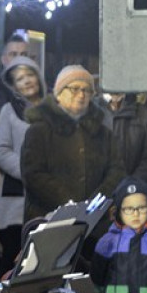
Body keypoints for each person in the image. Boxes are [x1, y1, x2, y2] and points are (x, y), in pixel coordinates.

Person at [21, 65, 124, 225]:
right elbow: (33, 174)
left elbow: (116, 170)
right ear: (59, 93)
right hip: (49, 219)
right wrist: (70, 203)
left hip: (94, 222)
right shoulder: (40, 130)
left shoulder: (103, 133)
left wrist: (94, 204)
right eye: (74, 88)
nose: (81, 94)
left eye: (87, 90)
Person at [0, 55, 44, 283]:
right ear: (14, 86)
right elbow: (1, 150)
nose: (27, 81)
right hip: (15, 201)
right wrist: (29, 173)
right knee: (8, 260)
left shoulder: (54, 109)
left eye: (30, 75)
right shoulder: (9, 111)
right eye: (20, 79)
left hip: (46, 199)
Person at [99, 92, 147, 184]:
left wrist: (130, 185)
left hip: (132, 189)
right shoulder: (88, 109)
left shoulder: (144, 113)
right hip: (94, 191)